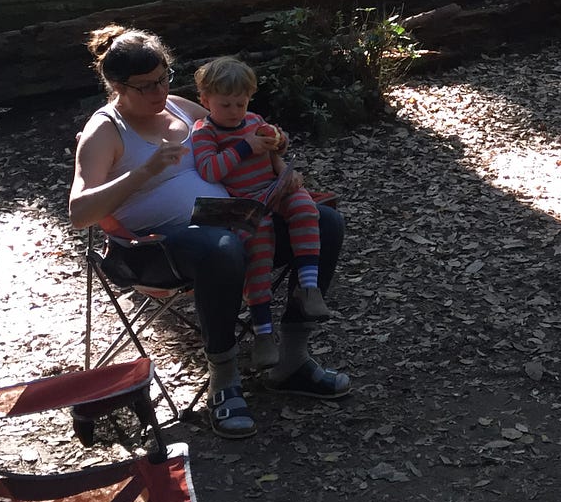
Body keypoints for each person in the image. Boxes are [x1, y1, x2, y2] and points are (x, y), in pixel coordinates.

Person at [69, 24, 350, 440]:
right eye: (145, 86)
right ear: (115, 85)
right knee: (218, 246)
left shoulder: (181, 107)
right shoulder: (105, 131)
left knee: (326, 221)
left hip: (235, 223)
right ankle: (224, 379)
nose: (158, 92)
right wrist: (145, 171)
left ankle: (290, 360)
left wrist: (276, 154)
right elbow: (79, 212)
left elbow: (244, 129)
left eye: (164, 78)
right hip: (154, 249)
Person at [190, 56, 331, 371]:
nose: (235, 112)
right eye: (225, 105)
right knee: (259, 250)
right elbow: (210, 170)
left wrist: (278, 144)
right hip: (244, 206)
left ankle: (308, 288)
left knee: (307, 207)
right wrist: (244, 148)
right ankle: (263, 334)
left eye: (241, 104)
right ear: (205, 100)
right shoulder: (204, 132)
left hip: (274, 191)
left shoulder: (253, 121)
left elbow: (275, 146)